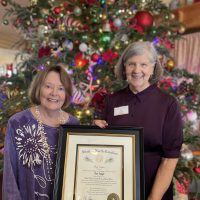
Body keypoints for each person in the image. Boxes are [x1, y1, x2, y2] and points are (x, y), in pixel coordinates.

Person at [94, 41, 183, 200]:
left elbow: (169, 160)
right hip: (116, 190)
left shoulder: (168, 104)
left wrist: (153, 198)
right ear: (124, 67)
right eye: (131, 64)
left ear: (153, 67)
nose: (137, 70)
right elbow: (104, 150)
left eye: (143, 64)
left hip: (155, 190)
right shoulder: (112, 101)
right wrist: (97, 132)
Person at [3, 65, 79, 200]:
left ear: (66, 93)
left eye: (61, 88)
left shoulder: (74, 125)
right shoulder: (18, 122)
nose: (54, 93)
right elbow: (10, 178)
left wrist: (97, 133)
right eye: (48, 86)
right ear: (38, 88)